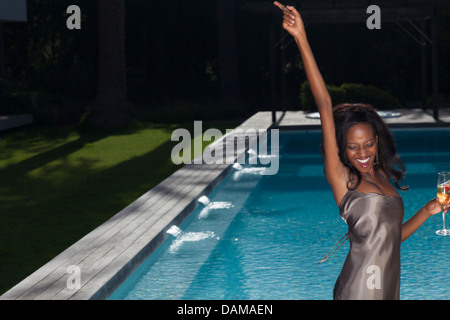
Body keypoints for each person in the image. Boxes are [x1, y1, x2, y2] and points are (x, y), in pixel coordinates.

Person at [273, 2, 449, 300]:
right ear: (342, 149)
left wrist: (429, 210)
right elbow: (325, 103)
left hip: (387, 288)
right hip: (359, 291)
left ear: (377, 141)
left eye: (368, 143)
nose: (362, 152)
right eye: (352, 147)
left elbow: (390, 239)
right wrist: (301, 37)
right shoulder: (342, 178)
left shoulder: (381, 174)